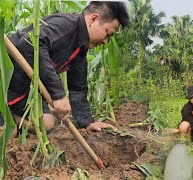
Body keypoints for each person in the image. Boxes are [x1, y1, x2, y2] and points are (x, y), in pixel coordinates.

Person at [0, 1, 129, 133]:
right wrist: (58, 95)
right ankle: (9, 126)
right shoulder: (64, 25)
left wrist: (87, 122)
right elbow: (29, 44)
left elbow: (78, 88)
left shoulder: (80, 48)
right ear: (93, 19)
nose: (105, 41)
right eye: (107, 33)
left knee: (47, 123)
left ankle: (10, 118)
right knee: (6, 133)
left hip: (20, 92)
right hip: (4, 83)